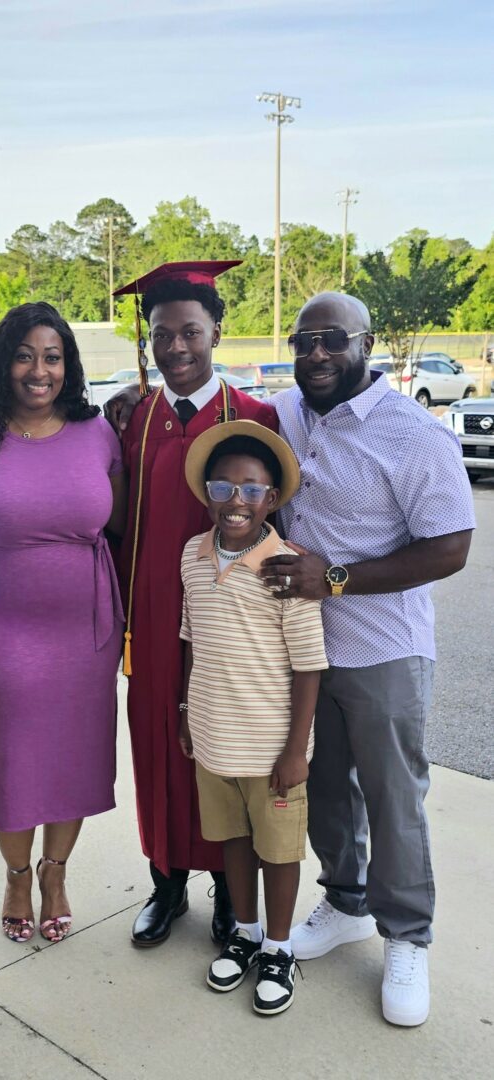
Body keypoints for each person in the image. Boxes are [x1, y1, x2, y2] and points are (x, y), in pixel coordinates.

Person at [258, 291, 475, 1027]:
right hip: (305, 647)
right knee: (325, 786)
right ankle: (346, 902)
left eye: (333, 339)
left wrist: (337, 578)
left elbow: (450, 546)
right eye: (303, 341)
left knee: (391, 796)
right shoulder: (286, 414)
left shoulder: (413, 434)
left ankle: (406, 935)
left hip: (383, 646)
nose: (316, 353)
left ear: (366, 345)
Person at [0, 301, 126, 945]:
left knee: (74, 757)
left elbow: (124, 525)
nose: (39, 371)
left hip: (86, 632)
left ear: (69, 366)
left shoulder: (97, 434)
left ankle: (55, 872)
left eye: (52, 357)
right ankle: (17, 875)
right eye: (23, 356)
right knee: (12, 762)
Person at [108, 261, 278, 947]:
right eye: (160, 334)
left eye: (189, 332)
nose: (175, 347)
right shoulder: (134, 418)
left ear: (216, 332)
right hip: (151, 617)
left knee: (222, 745)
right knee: (157, 744)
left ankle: (228, 890)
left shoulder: (257, 418)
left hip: (227, 617)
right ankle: (166, 882)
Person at [179, 420, 328, 1014]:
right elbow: (192, 638)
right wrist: (188, 712)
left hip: (271, 748)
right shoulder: (193, 555)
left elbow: (309, 666)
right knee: (233, 841)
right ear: (208, 495)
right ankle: (244, 932)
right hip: (214, 736)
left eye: (250, 489)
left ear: (271, 499)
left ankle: (279, 946)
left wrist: (296, 750)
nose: (235, 500)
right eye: (222, 488)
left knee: (279, 850)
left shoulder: (287, 568)